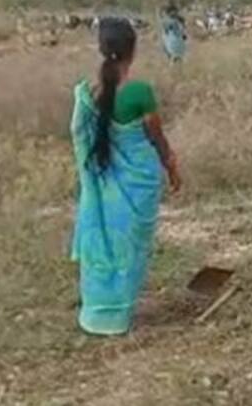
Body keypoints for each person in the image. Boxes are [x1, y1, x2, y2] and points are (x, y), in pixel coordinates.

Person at [70, 17, 181, 336]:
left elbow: (82, 135)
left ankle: (98, 314)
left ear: (101, 49)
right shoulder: (139, 92)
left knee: (103, 246)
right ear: (133, 50)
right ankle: (121, 313)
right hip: (139, 183)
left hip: (102, 186)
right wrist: (171, 165)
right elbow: (157, 137)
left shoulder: (87, 93)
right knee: (131, 247)